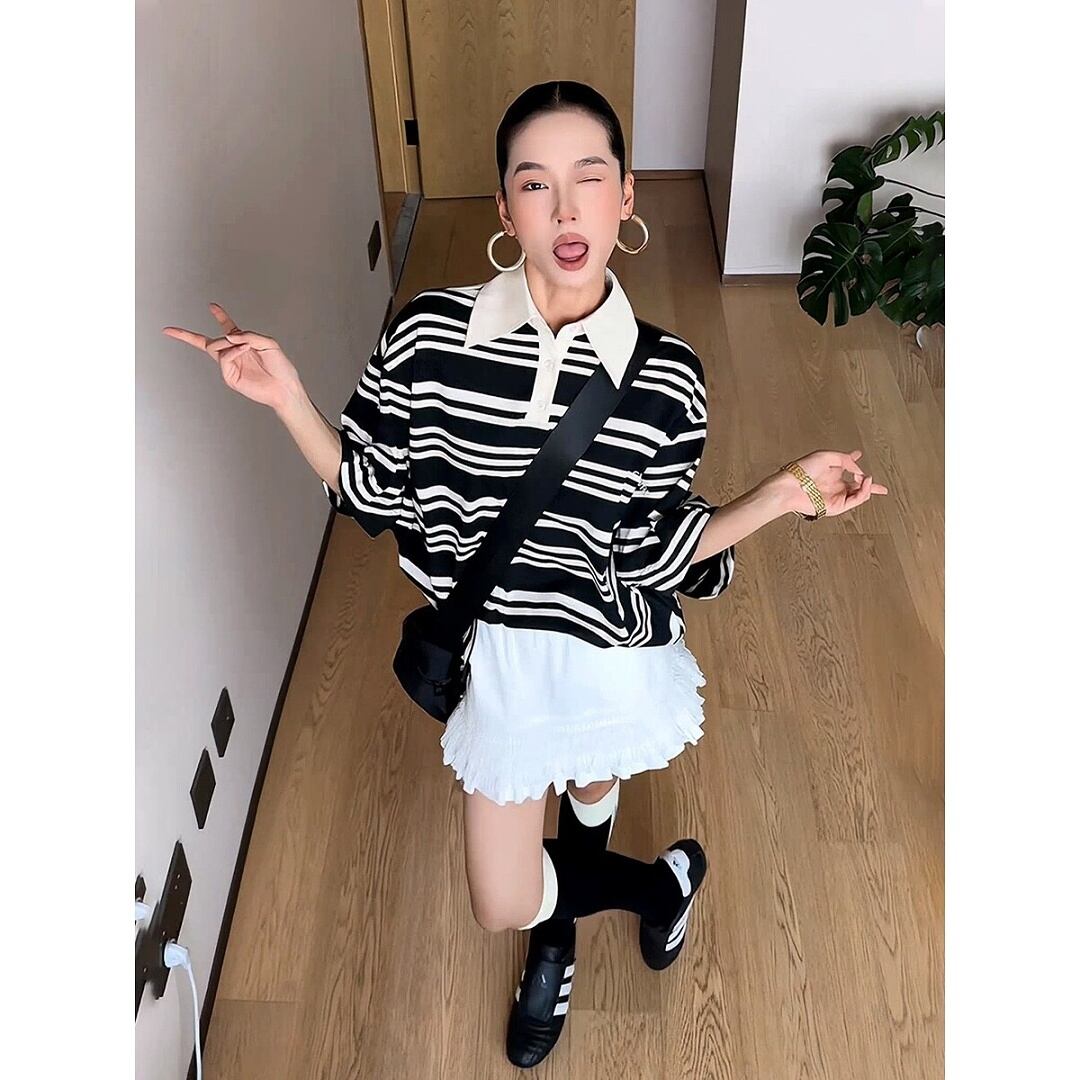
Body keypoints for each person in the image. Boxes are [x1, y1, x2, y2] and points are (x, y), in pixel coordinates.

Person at [163, 80, 888, 1069]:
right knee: (501, 898)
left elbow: (651, 551)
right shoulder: (428, 336)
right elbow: (373, 490)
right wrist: (289, 398)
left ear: (626, 196)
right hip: (496, 648)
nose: (566, 209)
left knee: (589, 786)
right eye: (536, 184)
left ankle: (564, 931)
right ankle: (653, 888)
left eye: (590, 178)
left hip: (605, 638)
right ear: (506, 210)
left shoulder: (667, 374)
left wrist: (781, 493)